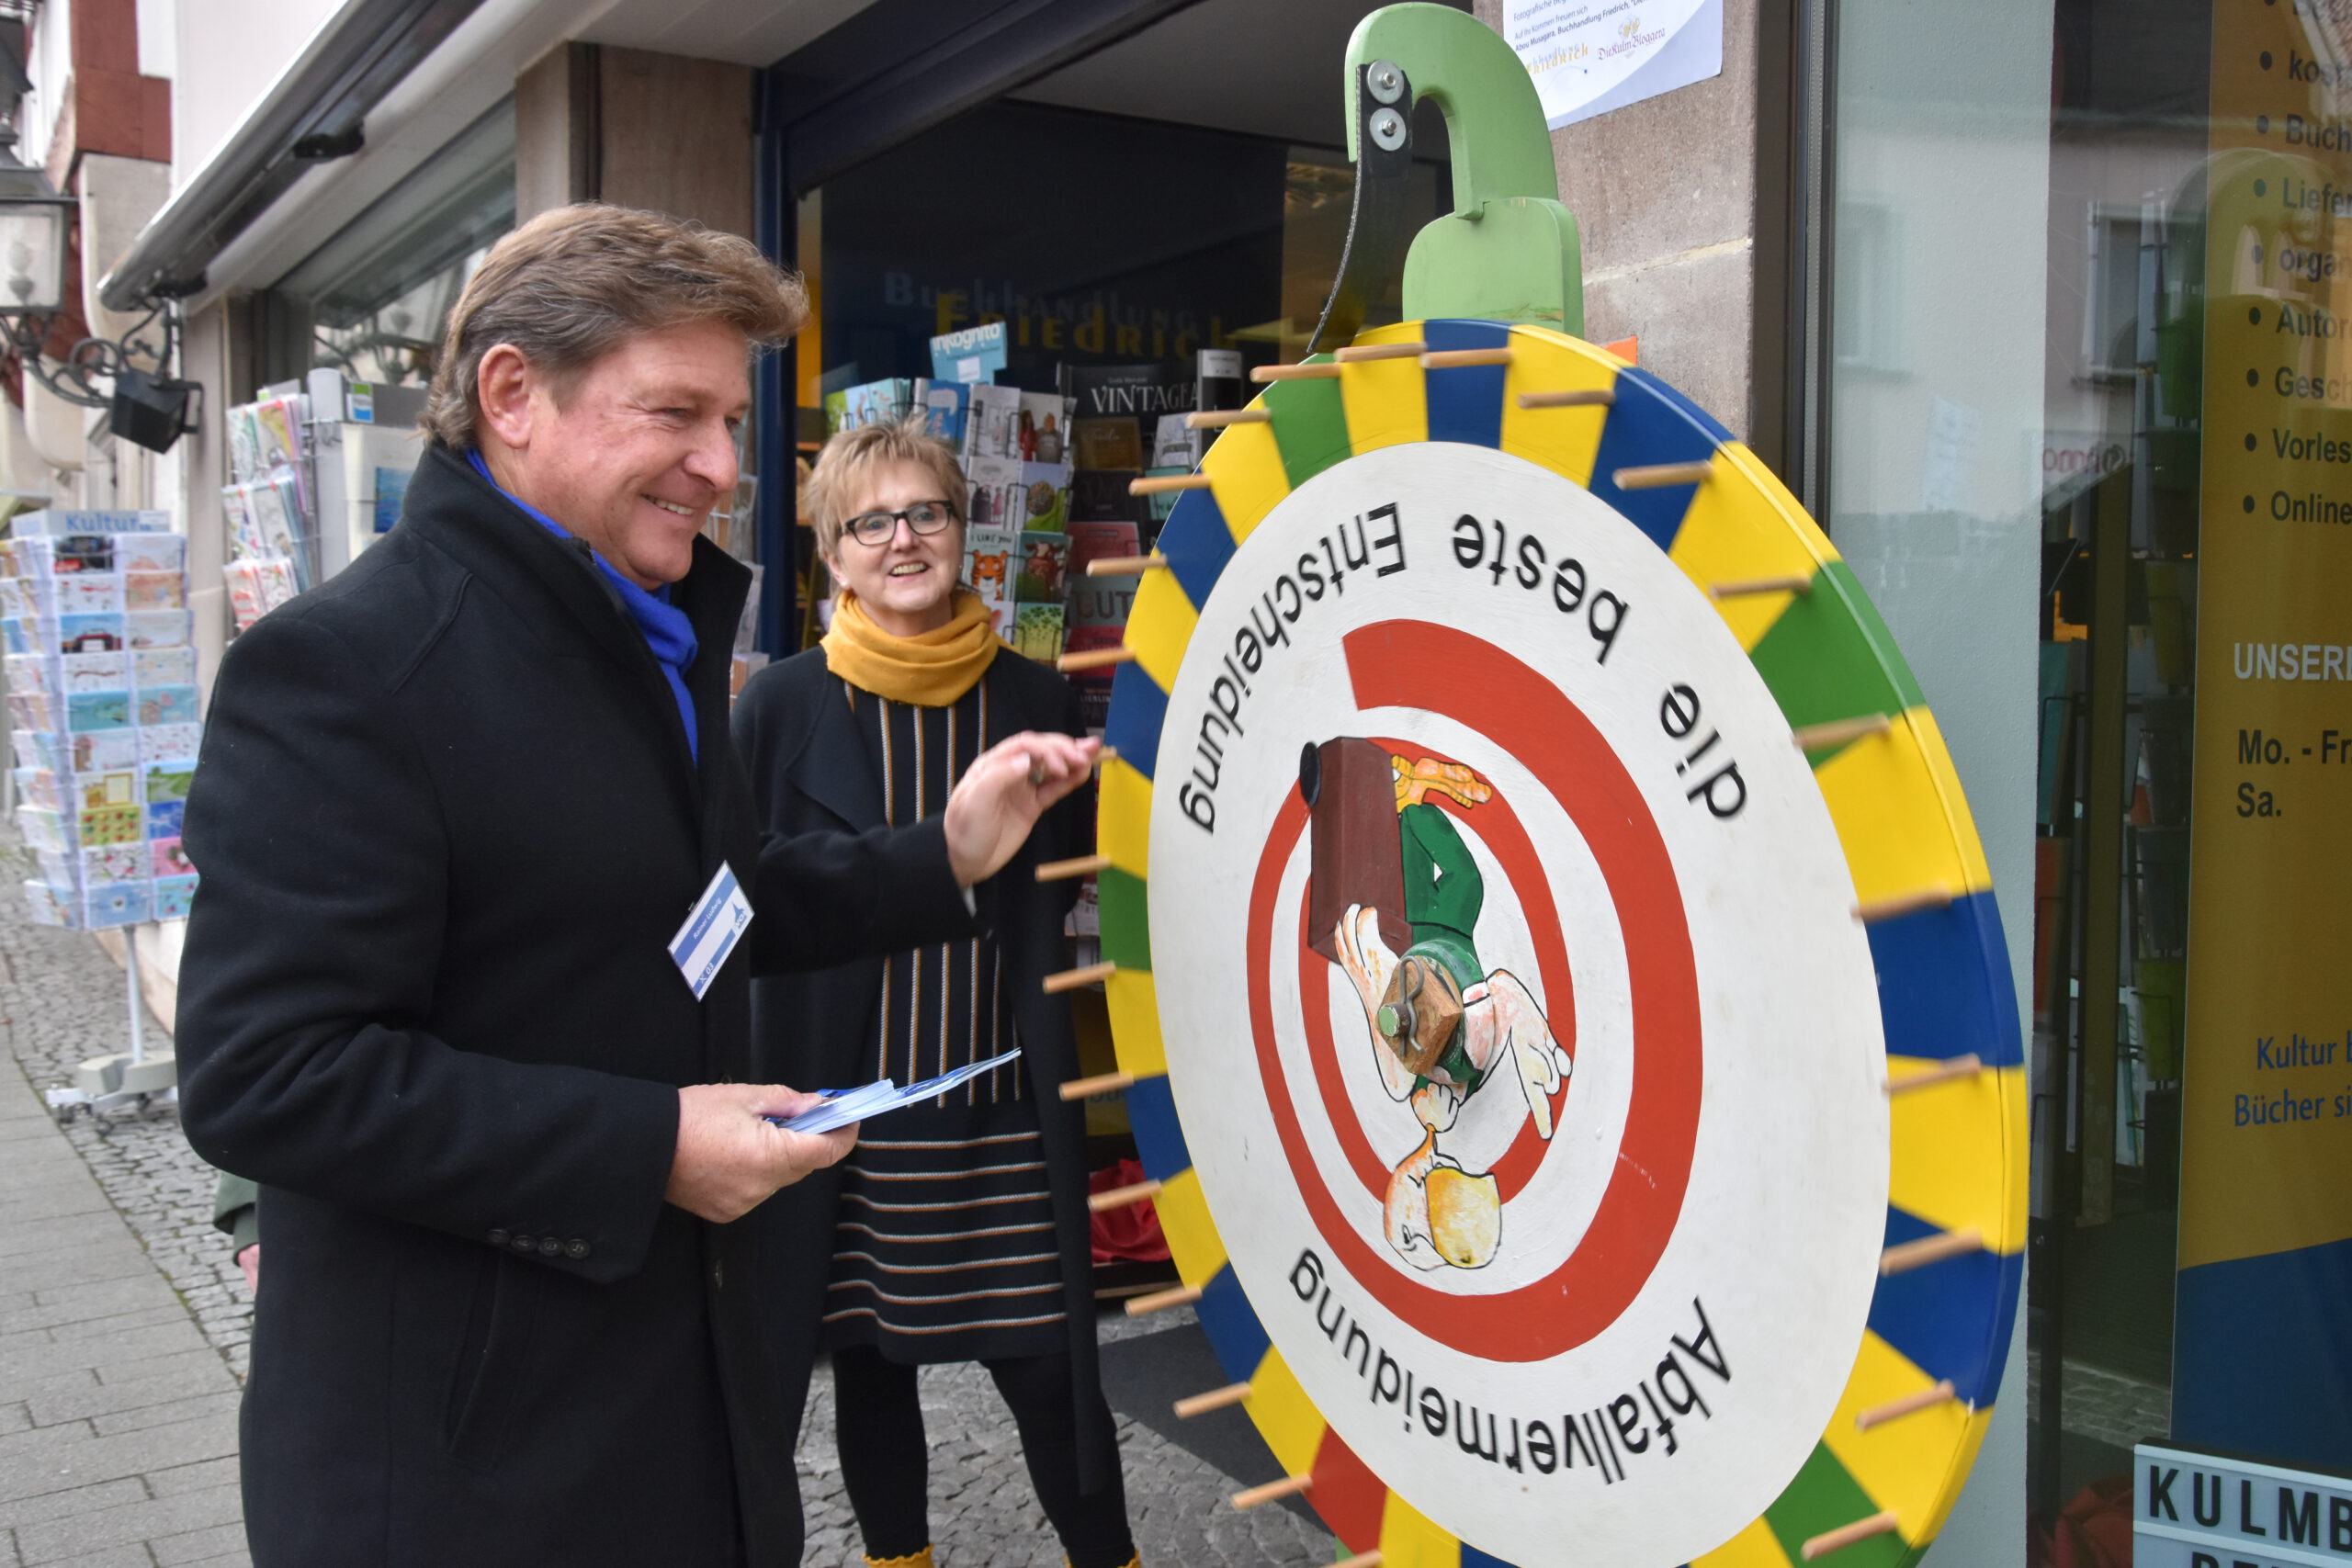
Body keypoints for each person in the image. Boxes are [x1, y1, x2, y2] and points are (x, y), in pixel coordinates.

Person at [175, 205, 1096, 1568]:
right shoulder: (350, 667)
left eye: (729, 420)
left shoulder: (640, 632)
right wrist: (651, 1145)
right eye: (676, 413)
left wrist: (944, 854)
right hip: (473, 1472)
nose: (721, 464)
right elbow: (266, 1074)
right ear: (512, 394)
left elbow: (701, 909)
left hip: (671, 1401)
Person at [732, 416, 1137, 1568]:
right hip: (847, 1115)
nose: (903, 540)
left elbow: (1073, 871)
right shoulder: (779, 707)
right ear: (832, 553)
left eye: (927, 513)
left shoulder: (1034, 695)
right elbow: (747, 898)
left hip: (1000, 1102)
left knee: (1053, 1378)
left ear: (964, 530)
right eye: (871, 523)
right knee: (870, 1366)